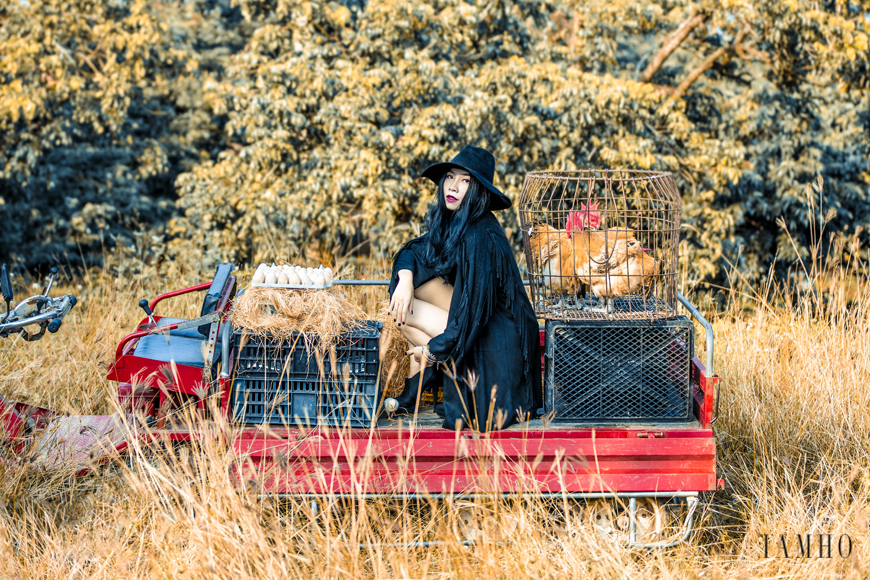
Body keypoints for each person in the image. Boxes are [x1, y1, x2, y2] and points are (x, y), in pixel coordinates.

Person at [387, 145, 542, 431]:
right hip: (477, 325)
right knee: (405, 296)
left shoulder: (480, 234)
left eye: (465, 181)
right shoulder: (456, 221)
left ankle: (424, 374)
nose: (454, 186)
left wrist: (433, 351)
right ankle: (422, 379)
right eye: (450, 177)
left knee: (403, 313)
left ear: (479, 190)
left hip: (496, 346)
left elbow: (473, 314)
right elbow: (414, 250)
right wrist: (406, 279)